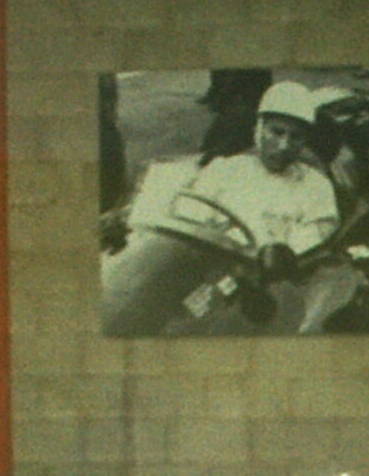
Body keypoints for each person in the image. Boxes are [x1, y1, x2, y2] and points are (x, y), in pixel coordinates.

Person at [100, 79, 345, 336]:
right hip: (206, 267)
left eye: (295, 137)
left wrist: (281, 254)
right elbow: (187, 215)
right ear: (260, 127)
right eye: (276, 132)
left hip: (262, 286)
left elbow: (315, 237)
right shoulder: (227, 168)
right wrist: (131, 220)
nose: (284, 145)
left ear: (305, 140)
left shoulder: (316, 187)